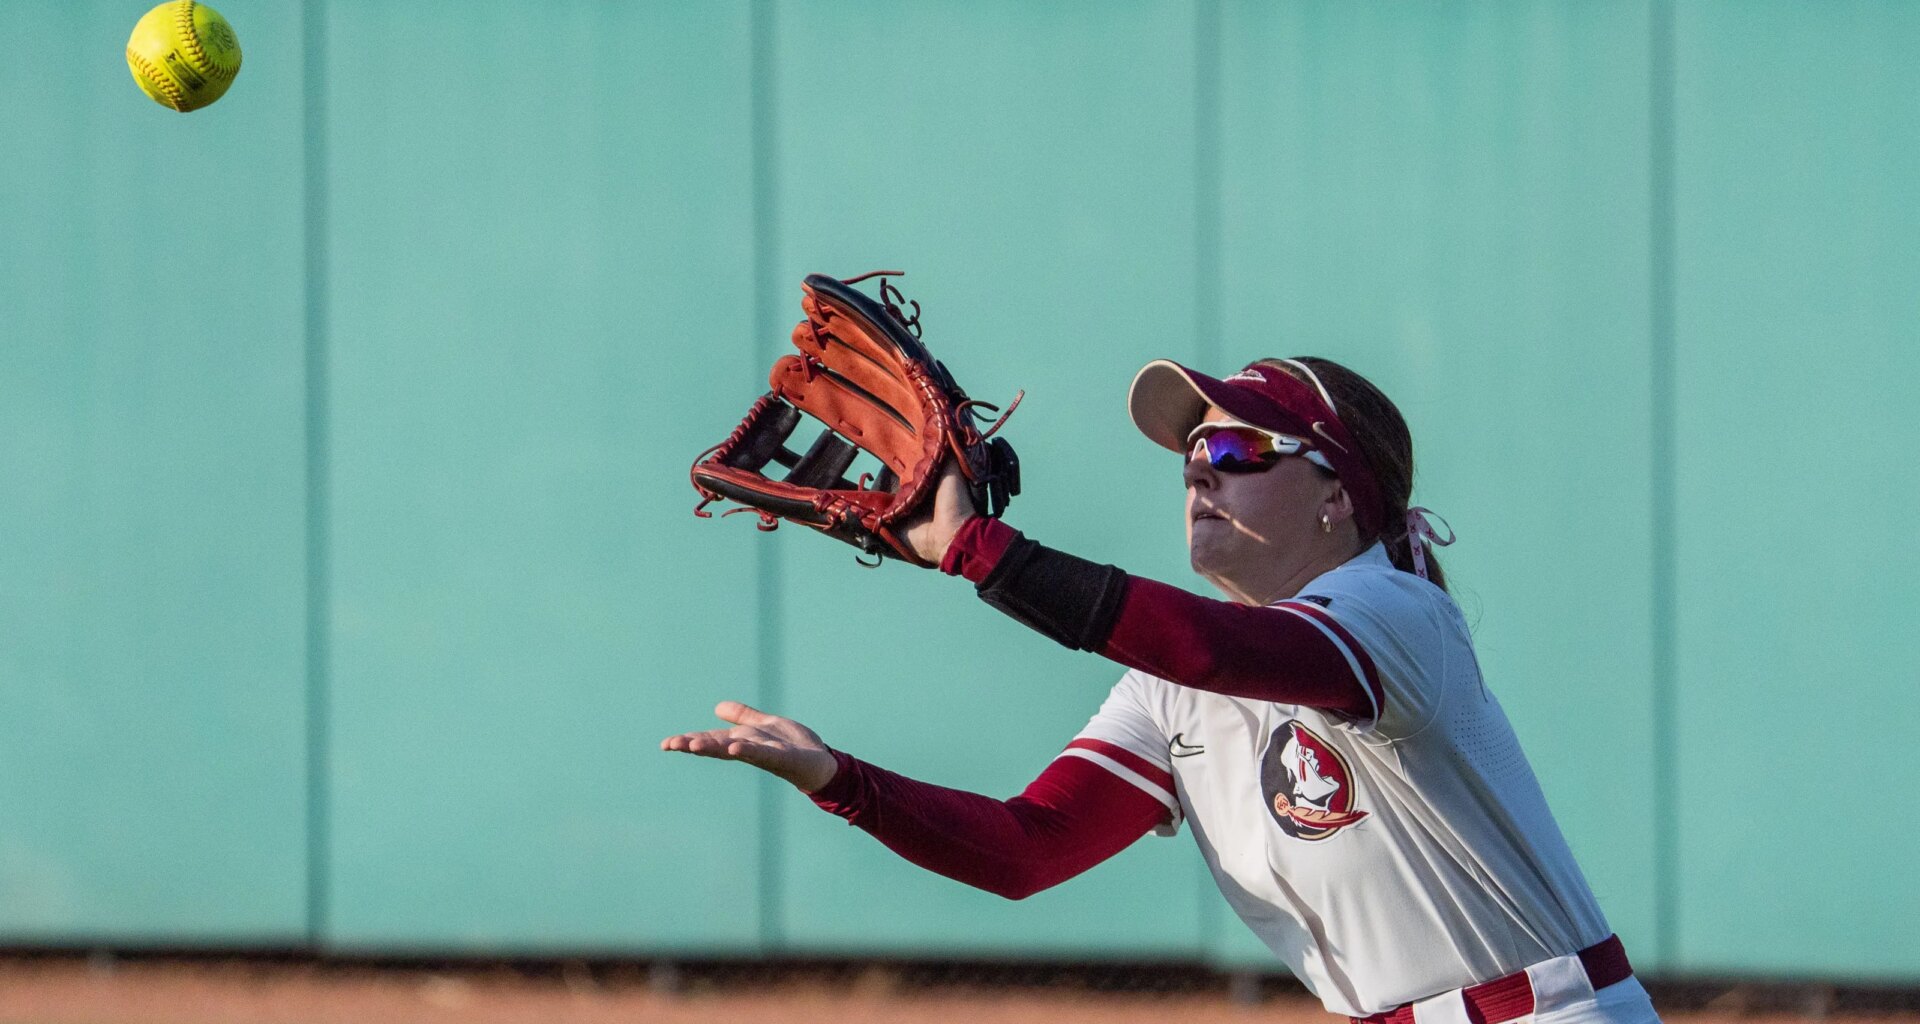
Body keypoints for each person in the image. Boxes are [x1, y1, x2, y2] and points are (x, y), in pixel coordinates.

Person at [662, 356, 1660, 1024]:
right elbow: (1028, 850)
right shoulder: (1173, 688)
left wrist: (980, 550)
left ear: (1337, 496)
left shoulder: (1393, 614)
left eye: (1235, 451)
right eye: (1190, 455)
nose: (1199, 474)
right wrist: (839, 778)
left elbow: (1217, 650)